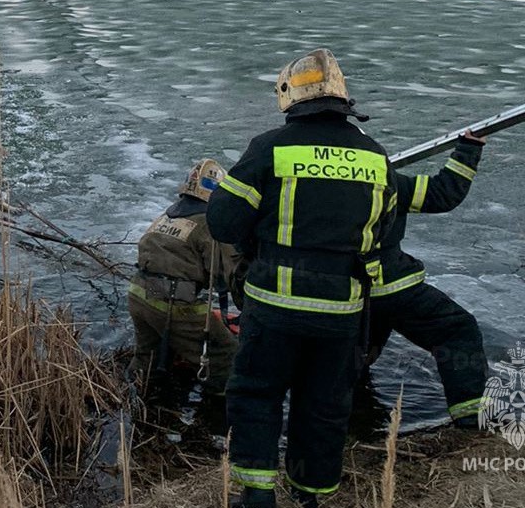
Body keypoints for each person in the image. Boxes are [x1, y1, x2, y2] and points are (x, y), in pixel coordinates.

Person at [208, 48, 396, 508]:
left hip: (274, 305)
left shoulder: (270, 147)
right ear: (342, 99)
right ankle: (311, 495)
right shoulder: (375, 156)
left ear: (289, 96)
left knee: (257, 393)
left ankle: (257, 493)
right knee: (324, 406)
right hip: (342, 311)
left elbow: (223, 223)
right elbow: (386, 232)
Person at [366, 132, 487, 428]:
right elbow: (443, 193)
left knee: (346, 357)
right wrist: (468, 150)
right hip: (394, 288)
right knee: (457, 330)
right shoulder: (385, 178)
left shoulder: (298, 187)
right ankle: (470, 420)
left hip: (335, 292)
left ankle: (355, 420)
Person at [128, 159, 244, 396]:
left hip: (139, 297)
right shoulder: (210, 223)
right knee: (226, 355)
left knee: (145, 356)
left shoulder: (168, 215)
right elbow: (229, 274)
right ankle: (217, 410)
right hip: (174, 305)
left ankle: (132, 399)